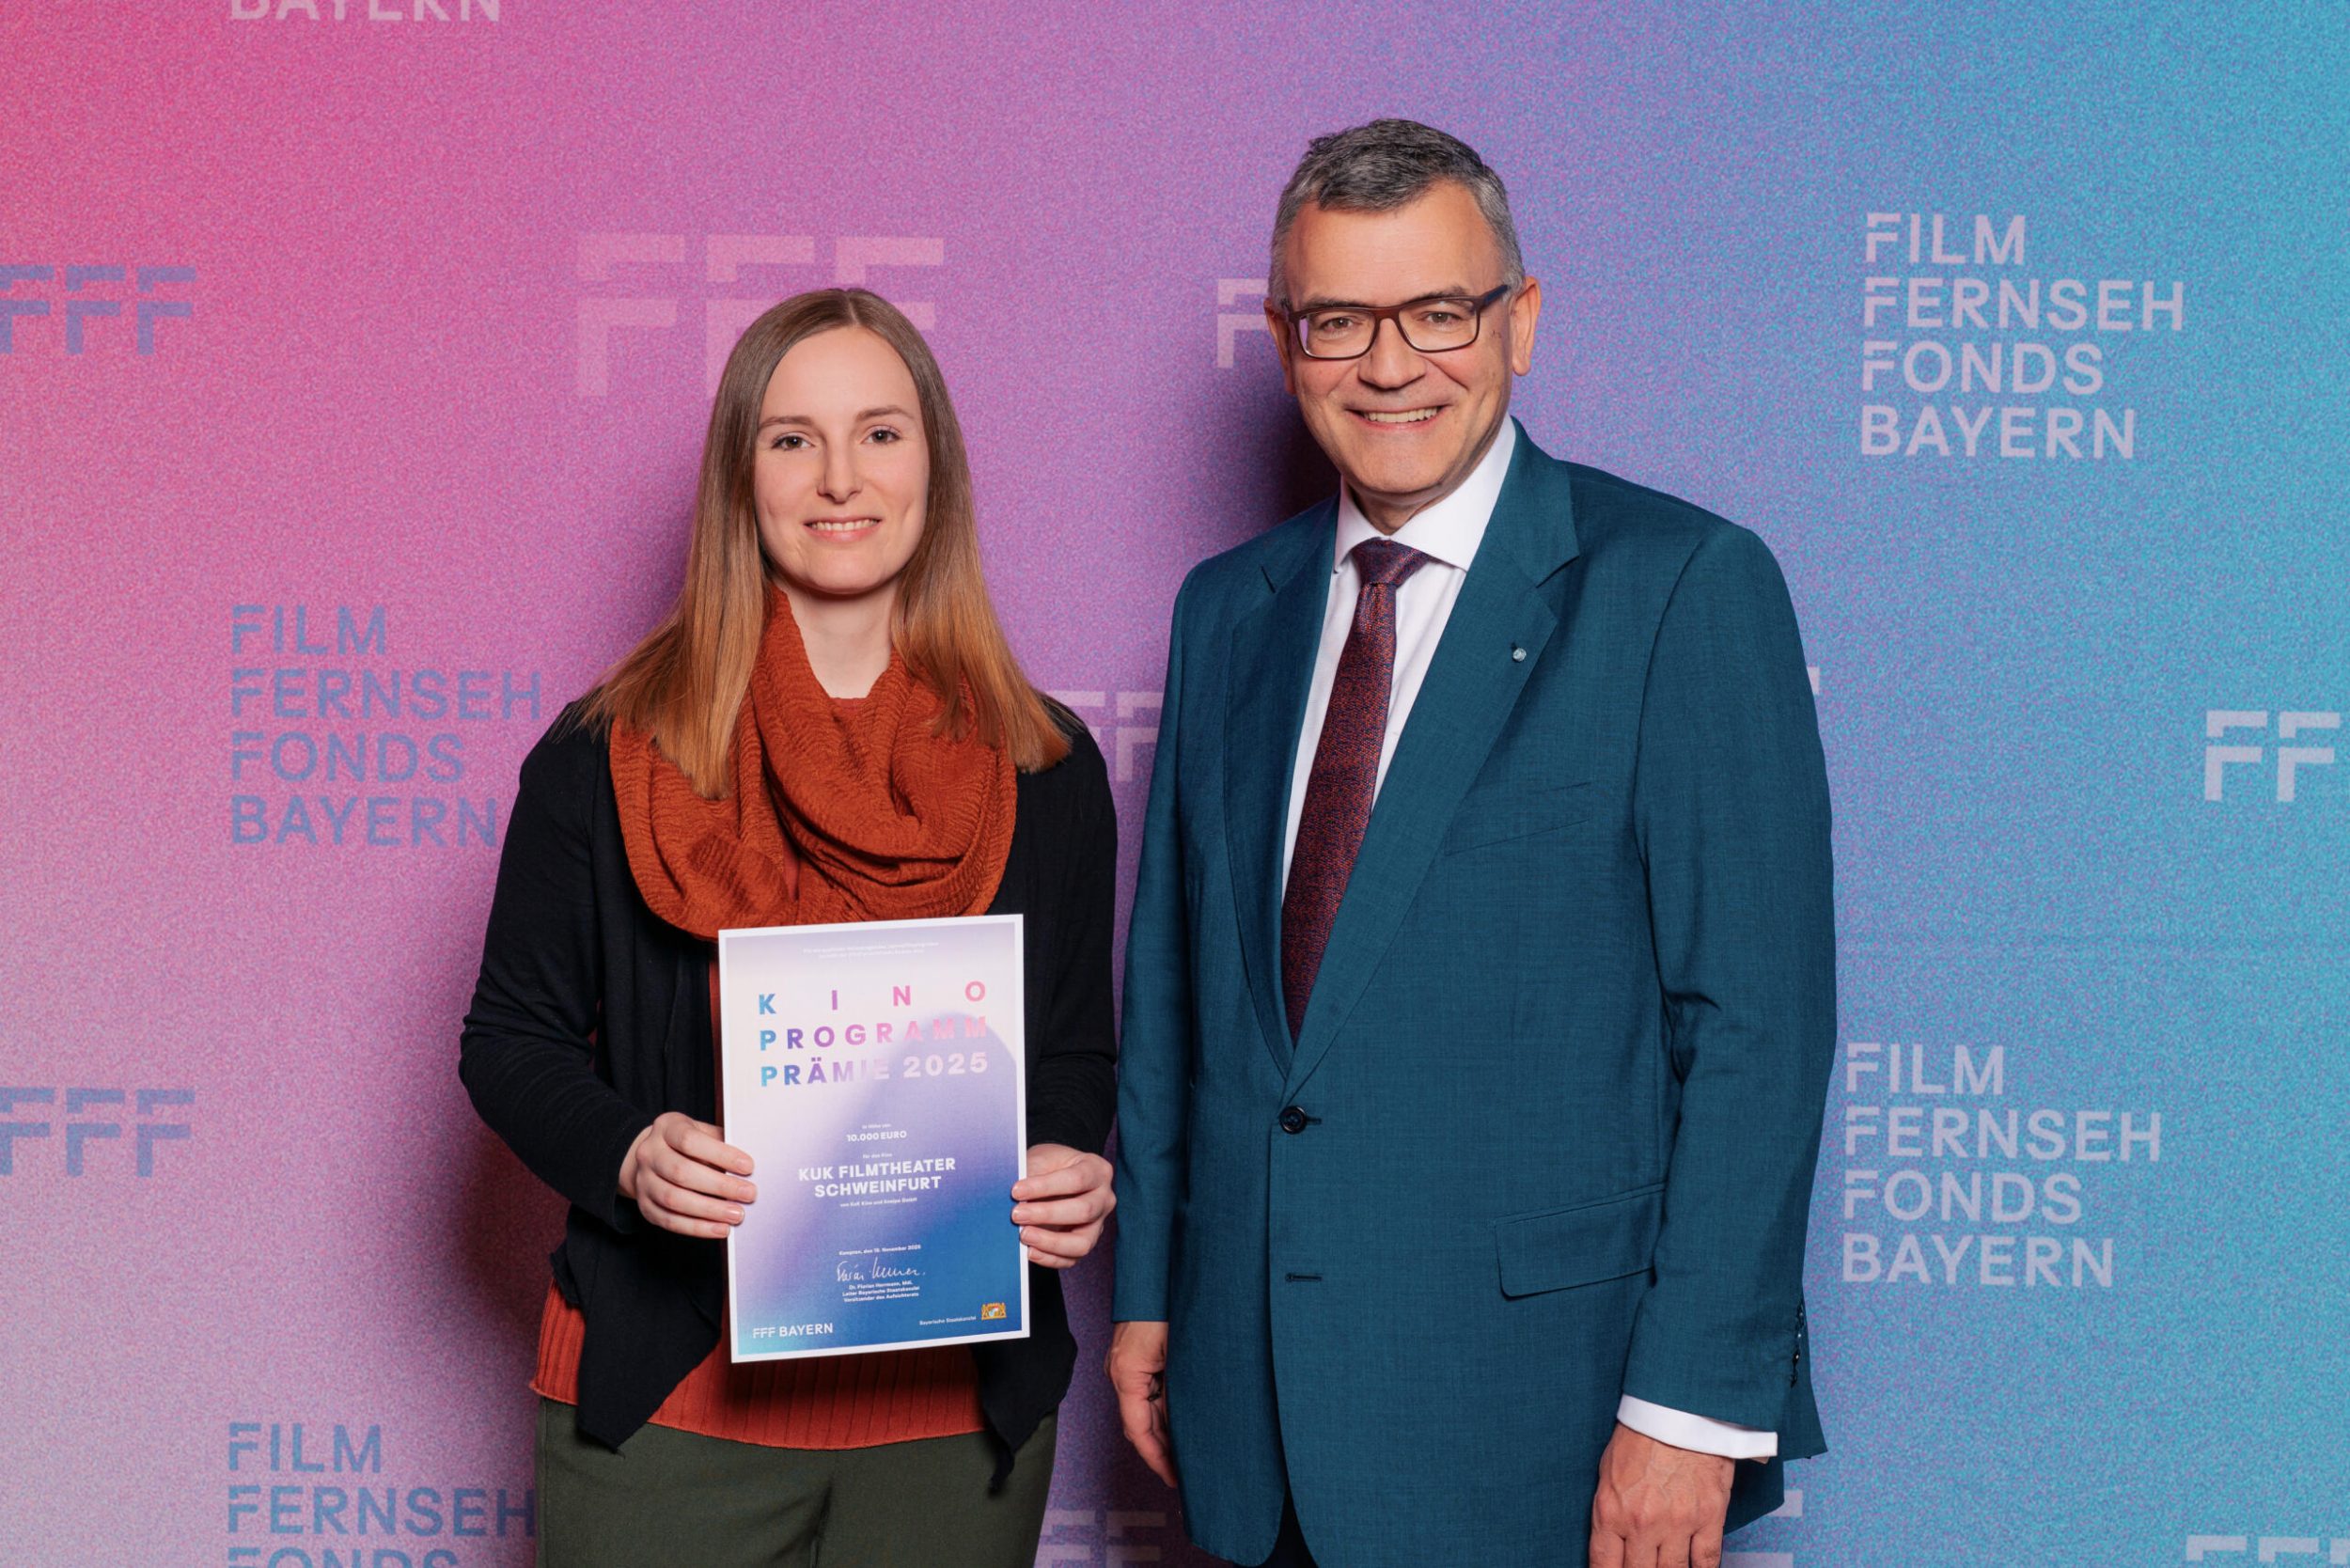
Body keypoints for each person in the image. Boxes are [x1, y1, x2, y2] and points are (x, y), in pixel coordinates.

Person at [1107, 120, 1836, 1568]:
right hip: (1254, 1405)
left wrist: (1687, 1410)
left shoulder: (1681, 588)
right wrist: (1154, 1292)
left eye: (1440, 312)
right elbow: (1180, 1001)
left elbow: (1758, 1029)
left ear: (1522, 322)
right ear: (1283, 336)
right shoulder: (1225, 611)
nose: (1392, 365)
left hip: (1546, 1426)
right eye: (1340, 320)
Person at [459, 288, 1118, 1568]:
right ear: (739, 476)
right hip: (673, 1410)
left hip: (955, 1427)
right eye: (791, 438)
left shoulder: (1045, 763)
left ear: (936, 464)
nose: (838, 479)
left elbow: (1079, 1055)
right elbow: (509, 1039)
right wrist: (629, 1152)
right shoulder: (605, 754)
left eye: (879, 433)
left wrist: (1071, 1162)